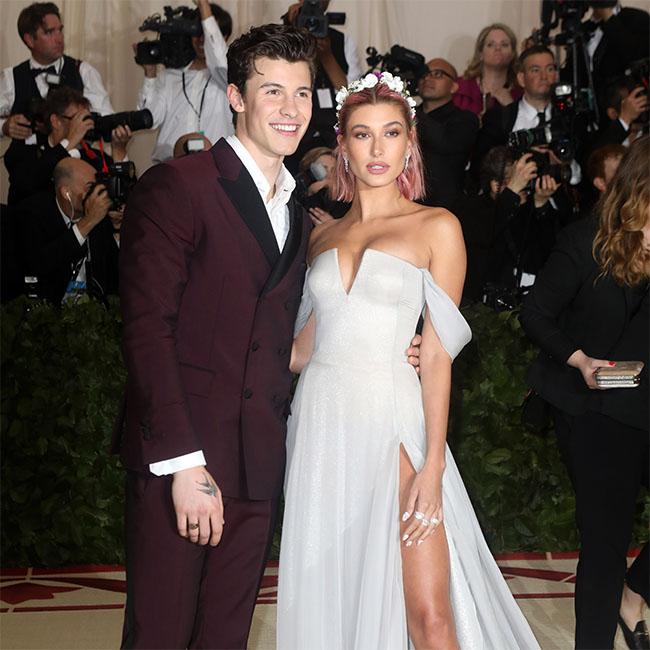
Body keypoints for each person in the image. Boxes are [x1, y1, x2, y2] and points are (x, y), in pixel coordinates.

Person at [117, 24, 420, 649]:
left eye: (302, 93)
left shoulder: (299, 216)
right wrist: (185, 465)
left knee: (224, 638)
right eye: (272, 91)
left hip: (258, 463)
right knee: (161, 635)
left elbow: (291, 339)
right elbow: (149, 333)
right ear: (236, 97)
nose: (290, 109)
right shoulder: (179, 186)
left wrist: (389, 344)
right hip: (184, 458)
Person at [277, 72, 540, 649]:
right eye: (362, 134)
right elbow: (300, 352)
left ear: (410, 143)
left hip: (395, 424)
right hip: (321, 428)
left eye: (391, 133)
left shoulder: (437, 227)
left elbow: (438, 355)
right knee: (341, 602)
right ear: (342, 146)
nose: (377, 148)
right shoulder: (320, 239)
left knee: (431, 616)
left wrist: (433, 463)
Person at [520, 136, 649, 650]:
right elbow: (536, 313)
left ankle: (633, 594)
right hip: (596, 409)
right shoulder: (587, 240)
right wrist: (579, 359)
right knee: (605, 543)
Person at [0, 2, 113, 153]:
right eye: (49, 32)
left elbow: (106, 121)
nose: (59, 39)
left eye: (60, 30)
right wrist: (4, 126)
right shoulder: (10, 78)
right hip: (26, 165)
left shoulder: (83, 71)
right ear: (29, 40)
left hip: (75, 163)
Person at [135, 0, 234, 163]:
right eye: (196, 32)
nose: (201, 40)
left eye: (206, 32)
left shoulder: (229, 79)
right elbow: (150, 120)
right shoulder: (169, 76)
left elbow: (219, 58)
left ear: (223, 37)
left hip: (214, 168)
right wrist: (150, 74)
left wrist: (203, 6)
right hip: (169, 168)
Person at [4, 86, 130, 206]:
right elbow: (26, 184)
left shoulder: (92, 156)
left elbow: (125, 196)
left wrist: (119, 153)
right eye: (78, 119)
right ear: (56, 121)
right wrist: (69, 141)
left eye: (86, 118)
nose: (84, 125)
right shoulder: (24, 151)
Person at [17, 157, 119, 305]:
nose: (95, 195)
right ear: (66, 192)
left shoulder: (99, 216)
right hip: (50, 310)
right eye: (90, 187)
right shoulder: (32, 214)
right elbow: (40, 265)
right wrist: (88, 222)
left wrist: (117, 227)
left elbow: (115, 270)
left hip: (94, 309)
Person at [283, 0, 363, 172]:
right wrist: (290, 29)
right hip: (292, 134)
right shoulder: (284, 37)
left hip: (333, 139)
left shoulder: (343, 41)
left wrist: (327, 56)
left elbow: (354, 97)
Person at [416, 57, 479, 208]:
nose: (428, 78)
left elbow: (445, 143)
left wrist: (406, 107)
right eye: (424, 74)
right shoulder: (404, 115)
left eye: (438, 74)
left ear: (454, 87)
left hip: (443, 206)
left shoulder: (466, 119)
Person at [452, 23, 522, 119]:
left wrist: (511, 106)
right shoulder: (460, 88)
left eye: (504, 45)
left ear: (513, 54)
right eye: (490, 45)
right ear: (480, 53)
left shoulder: (521, 93)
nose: (498, 48)